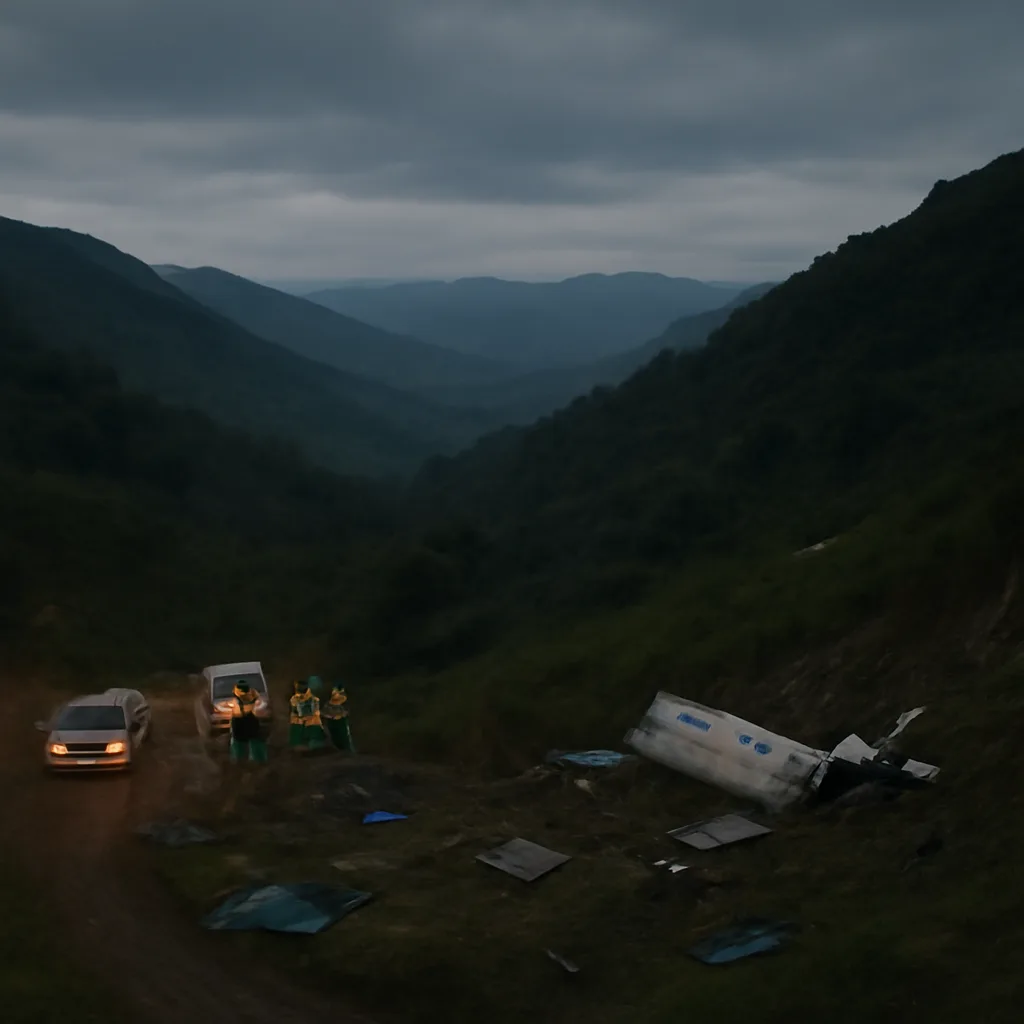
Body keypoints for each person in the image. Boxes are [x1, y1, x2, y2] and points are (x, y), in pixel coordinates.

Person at [228, 681, 268, 764]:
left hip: (240, 721)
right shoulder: (254, 695)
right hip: (250, 720)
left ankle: (240, 762)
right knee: (255, 741)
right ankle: (259, 761)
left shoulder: (237, 697)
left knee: (240, 744)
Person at [288, 679, 326, 751]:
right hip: (301, 721)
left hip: (311, 721)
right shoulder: (294, 699)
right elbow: (295, 711)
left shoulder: (314, 699)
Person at [321, 685, 355, 753]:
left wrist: (341, 715)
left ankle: (348, 752)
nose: (334, 693)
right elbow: (323, 712)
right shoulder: (328, 704)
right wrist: (331, 716)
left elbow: (347, 712)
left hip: (341, 722)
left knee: (345, 739)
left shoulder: (344, 703)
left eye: (336, 692)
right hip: (332, 722)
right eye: (334, 692)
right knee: (335, 738)